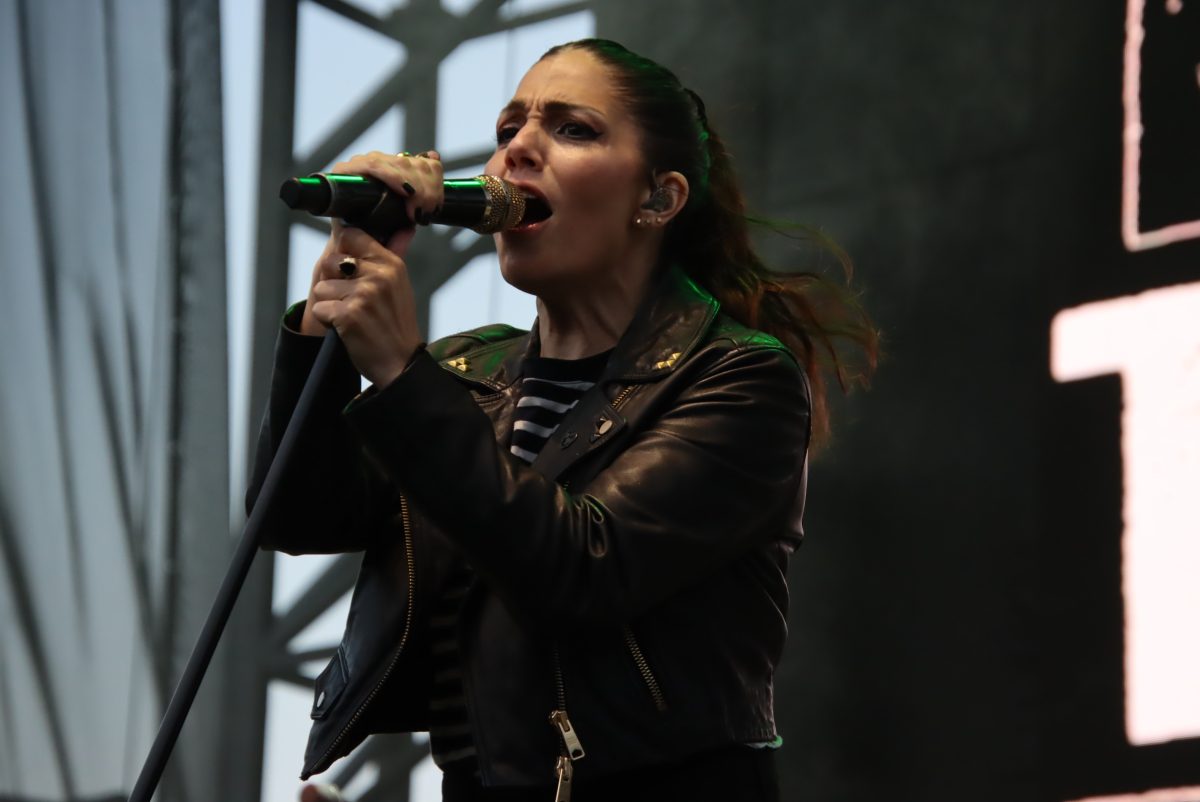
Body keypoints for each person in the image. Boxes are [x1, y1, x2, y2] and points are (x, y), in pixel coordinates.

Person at [249, 38, 877, 802]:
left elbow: (581, 567)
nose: (517, 150)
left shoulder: (739, 377)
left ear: (659, 199)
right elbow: (301, 515)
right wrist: (326, 323)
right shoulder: (467, 374)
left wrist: (402, 376)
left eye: (571, 128)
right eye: (509, 127)